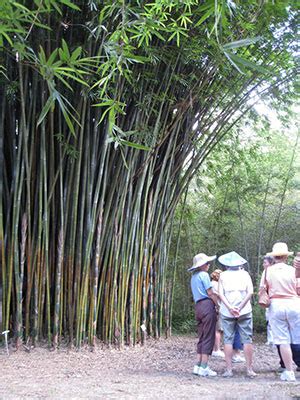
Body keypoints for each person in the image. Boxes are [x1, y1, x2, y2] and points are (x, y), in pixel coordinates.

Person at [260, 242, 300, 382]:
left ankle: (289, 372)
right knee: (297, 338)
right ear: (286, 256)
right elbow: (299, 290)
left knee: (283, 340)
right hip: (294, 303)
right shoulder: (293, 270)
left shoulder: (268, 271)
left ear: (274, 256)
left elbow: (262, 290)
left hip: (276, 304)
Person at [218, 251, 256, 378]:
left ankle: (229, 370)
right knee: (247, 339)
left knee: (228, 339)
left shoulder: (222, 275)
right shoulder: (245, 274)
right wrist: (239, 307)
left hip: (227, 311)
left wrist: (230, 308)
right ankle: (249, 369)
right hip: (244, 311)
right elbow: (250, 292)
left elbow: (220, 294)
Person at [189, 253, 218, 377]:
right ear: (202, 265)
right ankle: (204, 367)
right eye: (207, 263)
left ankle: (198, 365)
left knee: (202, 335)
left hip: (198, 307)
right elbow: (210, 293)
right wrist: (217, 305)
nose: (208, 265)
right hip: (207, 306)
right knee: (208, 336)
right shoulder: (204, 275)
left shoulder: (193, 277)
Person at [210, 269, 225, 358]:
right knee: (218, 329)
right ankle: (217, 349)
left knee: (216, 329)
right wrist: (218, 307)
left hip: (213, 308)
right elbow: (215, 296)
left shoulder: (211, 283)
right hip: (217, 308)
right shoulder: (215, 284)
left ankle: (214, 348)